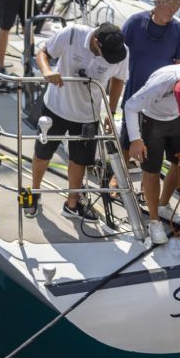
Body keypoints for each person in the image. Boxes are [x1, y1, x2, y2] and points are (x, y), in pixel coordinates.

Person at [28, 22, 129, 219]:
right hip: (56, 107)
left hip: (87, 115)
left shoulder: (122, 52)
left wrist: (111, 111)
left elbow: (118, 80)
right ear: (96, 42)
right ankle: (34, 192)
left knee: (80, 160)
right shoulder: (72, 33)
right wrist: (47, 71)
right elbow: (43, 53)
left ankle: (72, 205)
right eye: (105, 54)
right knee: (42, 153)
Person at [114, 0, 180, 220]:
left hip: (165, 96)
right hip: (136, 89)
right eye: (170, 5)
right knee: (128, 138)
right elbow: (116, 54)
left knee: (165, 149)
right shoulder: (136, 23)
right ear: (157, 3)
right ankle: (118, 177)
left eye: (177, 6)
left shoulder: (178, 30)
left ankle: (157, 194)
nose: (173, 11)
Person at [124, 64, 180, 244]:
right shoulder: (158, 85)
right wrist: (135, 139)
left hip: (179, 121)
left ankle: (163, 205)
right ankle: (154, 221)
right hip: (153, 121)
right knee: (152, 170)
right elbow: (130, 106)